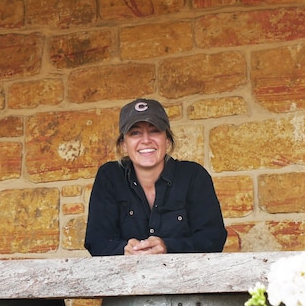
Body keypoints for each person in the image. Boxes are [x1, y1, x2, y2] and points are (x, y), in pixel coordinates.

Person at [84, 98, 227, 256]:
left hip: (184, 278)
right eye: (135, 133)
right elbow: (96, 240)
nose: (146, 140)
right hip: (125, 278)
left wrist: (167, 247)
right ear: (124, 144)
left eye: (154, 131)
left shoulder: (193, 176)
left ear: (167, 140)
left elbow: (213, 238)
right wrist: (124, 250)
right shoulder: (110, 177)